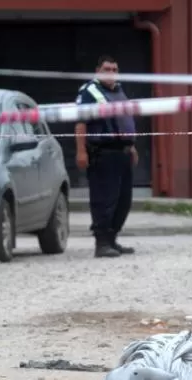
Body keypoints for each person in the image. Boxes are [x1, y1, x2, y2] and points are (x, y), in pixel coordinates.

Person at [74, 55, 139, 259]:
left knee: (123, 200)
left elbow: (124, 121)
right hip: (103, 153)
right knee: (104, 200)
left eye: (114, 69)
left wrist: (132, 147)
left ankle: (112, 239)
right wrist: (81, 151)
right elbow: (81, 123)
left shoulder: (119, 90)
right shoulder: (89, 91)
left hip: (123, 152)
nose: (111, 73)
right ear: (97, 71)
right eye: (107, 69)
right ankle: (101, 243)